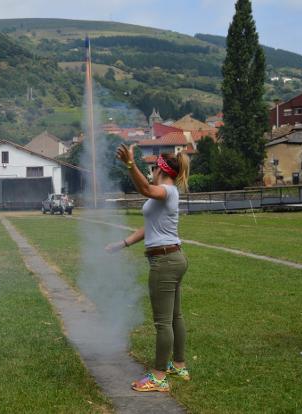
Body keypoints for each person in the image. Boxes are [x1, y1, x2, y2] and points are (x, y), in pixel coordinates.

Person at [106, 145, 190, 393]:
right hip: (172, 258)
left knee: (162, 322)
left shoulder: (167, 190)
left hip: (165, 262)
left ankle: (159, 377)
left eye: (151, 169)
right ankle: (179, 365)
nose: (149, 172)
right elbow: (149, 228)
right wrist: (122, 244)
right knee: (175, 317)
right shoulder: (165, 193)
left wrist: (130, 165)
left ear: (159, 170)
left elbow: (144, 188)